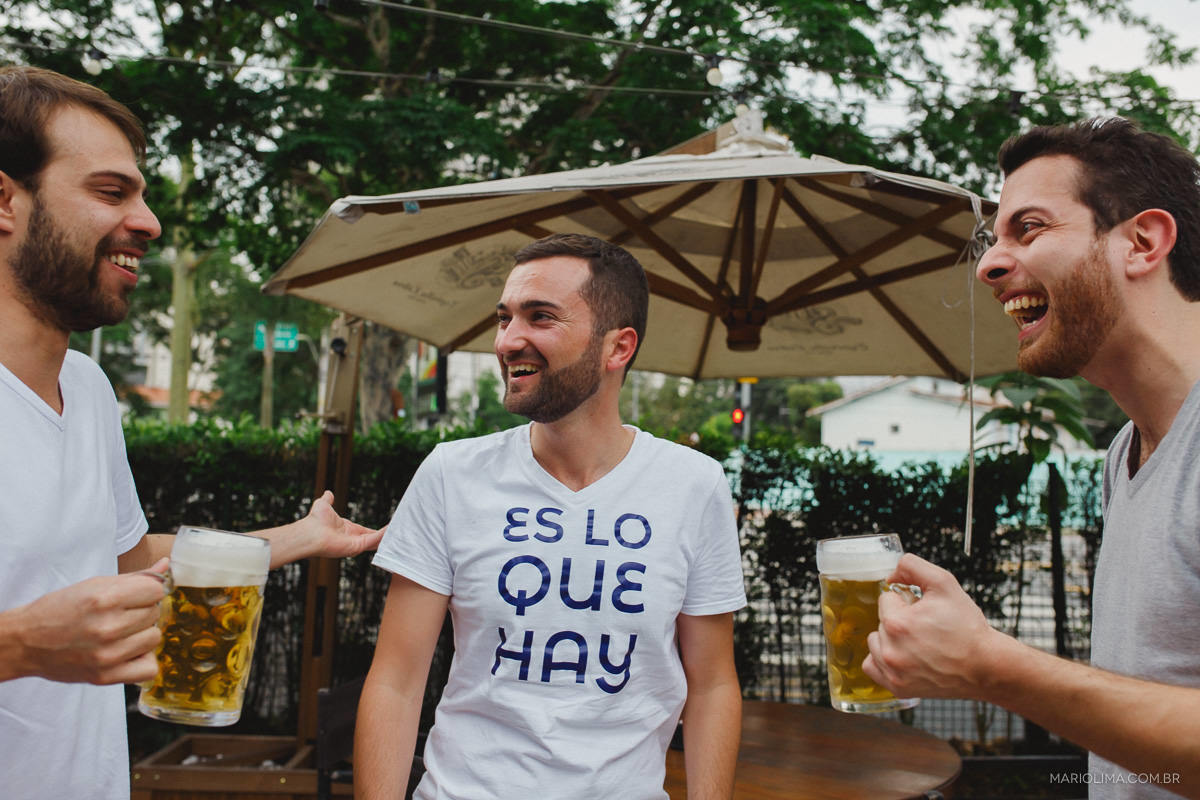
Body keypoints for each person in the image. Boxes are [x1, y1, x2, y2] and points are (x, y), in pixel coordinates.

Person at [0, 65, 383, 799]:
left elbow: (129, 560)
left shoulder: (87, 389)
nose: (149, 223)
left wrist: (301, 537)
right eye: (111, 192)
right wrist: (18, 644)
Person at [862, 118, 1200, 799]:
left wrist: (992, 666)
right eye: (994, 239)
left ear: (1142, 242)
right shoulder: (1124, 455)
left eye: (1031, 228)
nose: (987, 264)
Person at [356, 233, 746, 799]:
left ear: (618, 348)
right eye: (505, 317)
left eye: (540, 317)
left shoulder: (693, 485)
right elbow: (396, 680)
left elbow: (712, 687)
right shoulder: (452, 474)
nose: (509, 340)